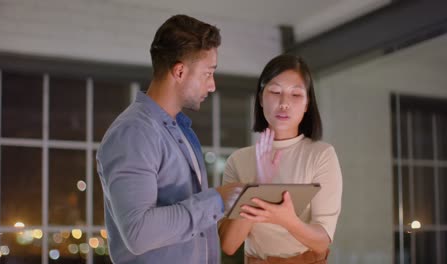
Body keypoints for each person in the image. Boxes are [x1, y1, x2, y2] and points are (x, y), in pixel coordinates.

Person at [96, 14, 242, 264]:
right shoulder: (134, 133)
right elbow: (139, 233)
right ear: (180, 71)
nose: (213, 85)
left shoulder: (182, 131)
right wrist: (217, 199)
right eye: (208, 73)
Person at [219, 54, 343, 264]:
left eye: (296, 95)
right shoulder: (238, 161)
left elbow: (322, 242)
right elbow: (229, 245)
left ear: (307, 104)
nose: (284, 103)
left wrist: (288, 221)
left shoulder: (321, 155)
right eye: (275, 92)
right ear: (260, 98)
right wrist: (258, 184)